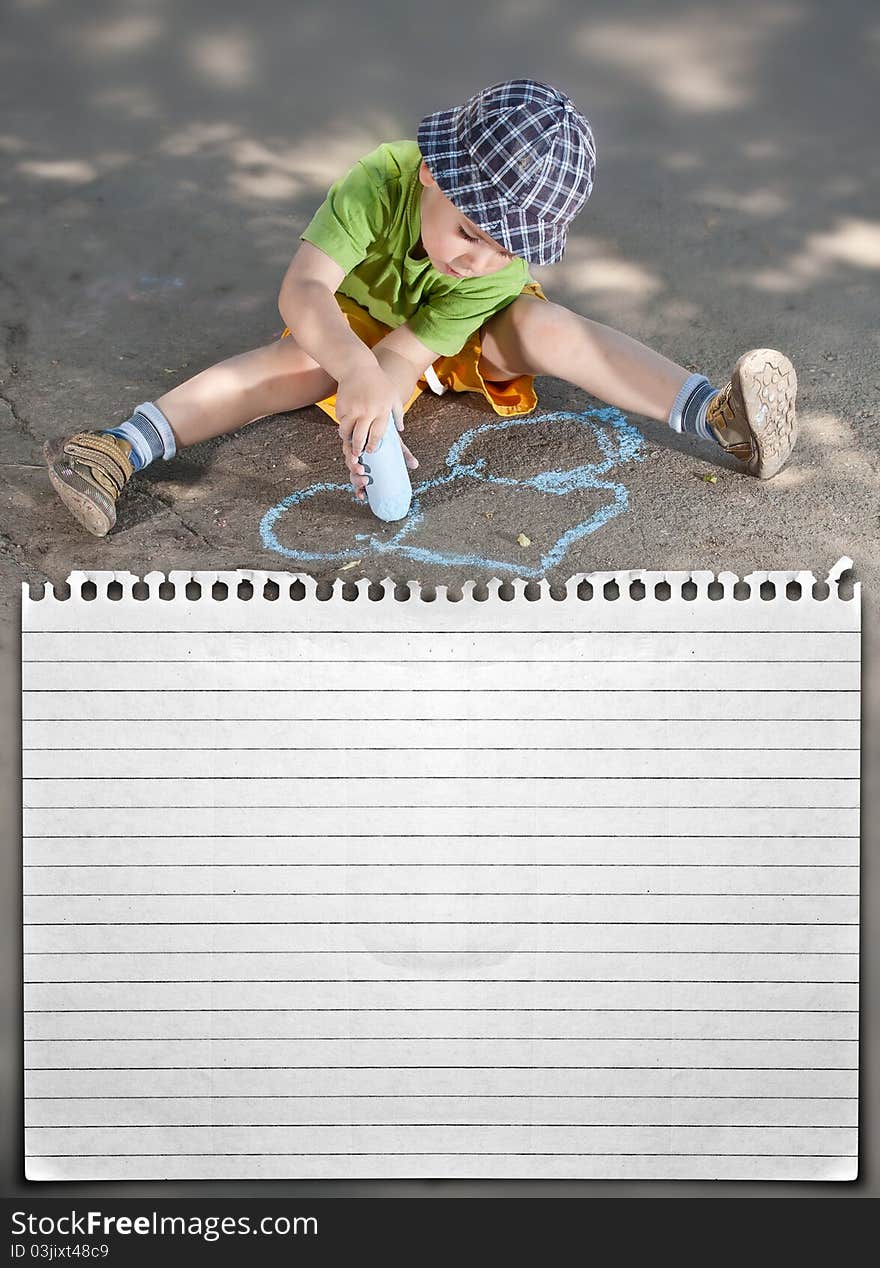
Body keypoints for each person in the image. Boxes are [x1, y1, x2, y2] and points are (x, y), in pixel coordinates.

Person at [44, 79, 797, 538]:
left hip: (457, 334)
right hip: (353, 320)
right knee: (301, 361)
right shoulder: (379, 179)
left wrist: (383, 397)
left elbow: (413, 351)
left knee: (544, 326)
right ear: (434, 172)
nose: (480, 257)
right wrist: (355, 377)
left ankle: (716, 415)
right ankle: (119, 447)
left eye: (508, 246)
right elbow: (304, 291)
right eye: (470, 231)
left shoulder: (494, 270)